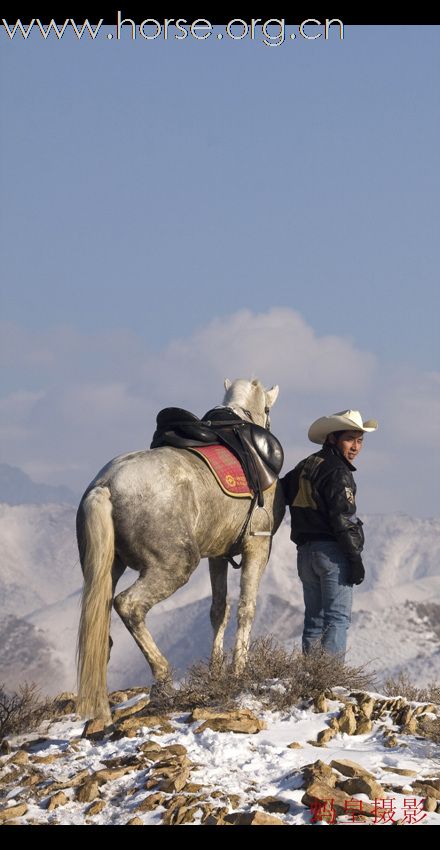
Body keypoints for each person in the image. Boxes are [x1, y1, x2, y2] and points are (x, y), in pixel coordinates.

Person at [282, 410, 378, 656]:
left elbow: (280, 492)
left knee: (314, 620)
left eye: (360, 440)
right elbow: (343, 518)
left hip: (305, 554)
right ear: (332, 439)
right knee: (336, 619)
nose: (356, 447)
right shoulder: (338, 471)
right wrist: (355, 559)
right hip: (332, 554)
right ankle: (330, 682)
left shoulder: (305, 465)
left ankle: (312, 681)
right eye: (349, 439)